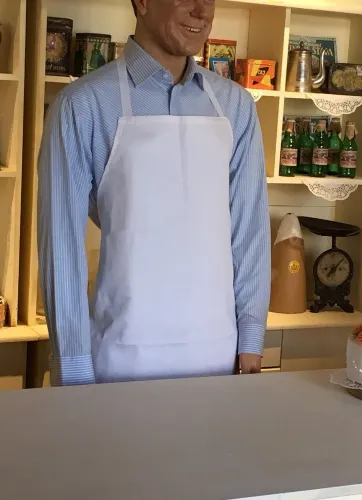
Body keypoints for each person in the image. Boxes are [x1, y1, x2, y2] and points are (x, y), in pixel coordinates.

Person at [37, 0, 270, 386]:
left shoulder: (236, 106)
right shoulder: (84, 105)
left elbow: (250, 232)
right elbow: (62, 247)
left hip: (219, 357)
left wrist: (251, 339)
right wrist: (74, 369)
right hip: (121, 360)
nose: (201, 11)